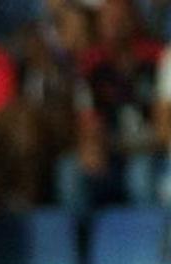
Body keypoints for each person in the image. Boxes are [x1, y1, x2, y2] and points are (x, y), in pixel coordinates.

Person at [57, 0, 163, 214]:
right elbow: (88, 120)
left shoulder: (157, 57)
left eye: (121, 17)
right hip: (111, 154)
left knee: (140, 173)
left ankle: (147, 242)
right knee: (69, 170)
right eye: (109, 18)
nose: (115, 24)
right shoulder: (92, 64)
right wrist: (92, 146)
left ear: (135, 19)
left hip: (150, 152)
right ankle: (80, 242)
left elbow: (163, 126)